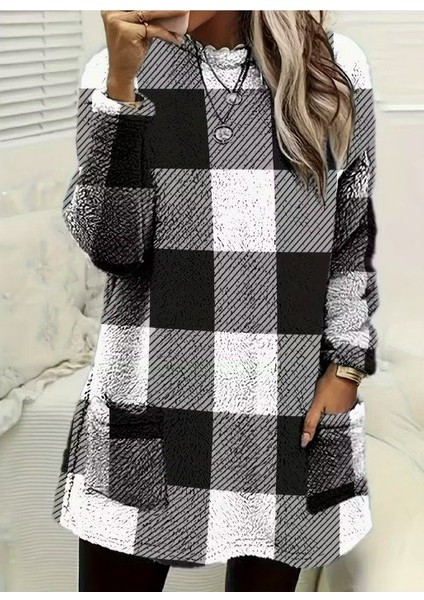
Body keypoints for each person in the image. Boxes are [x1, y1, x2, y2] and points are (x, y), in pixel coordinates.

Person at [51, 9, 380, 592]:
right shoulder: (113, 71)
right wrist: (122, 87)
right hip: (148, 399)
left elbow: (349, 239)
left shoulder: (333, 67)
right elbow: (112, 246)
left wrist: (347, 368)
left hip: (285, 411)